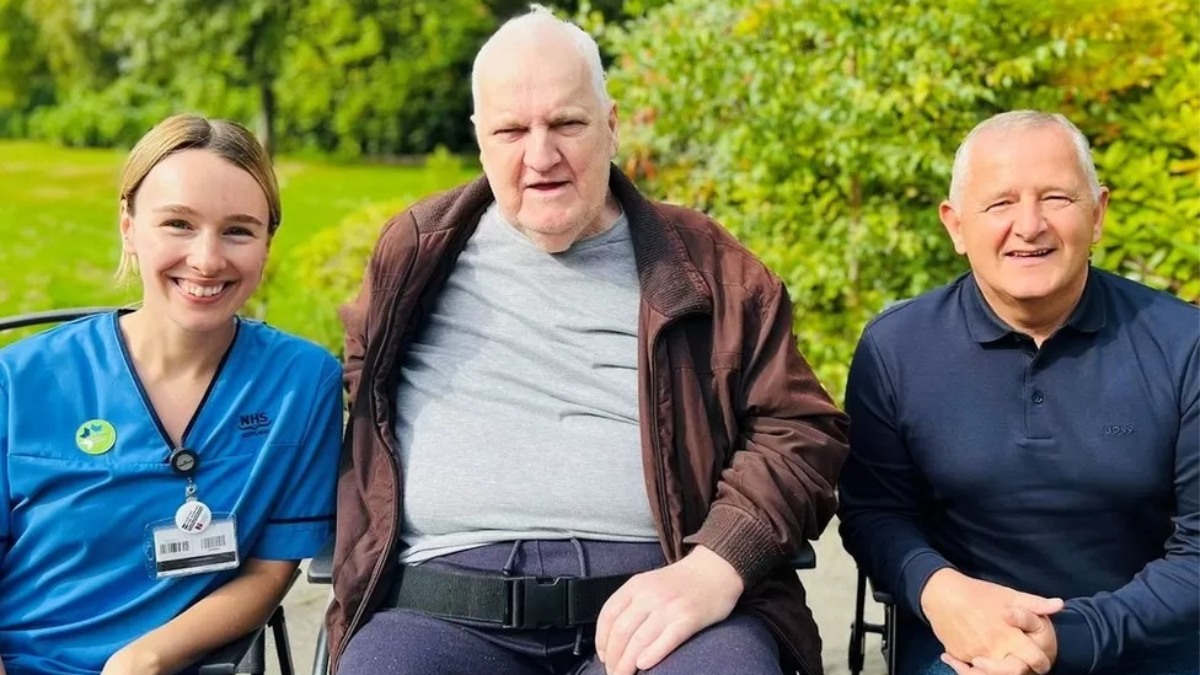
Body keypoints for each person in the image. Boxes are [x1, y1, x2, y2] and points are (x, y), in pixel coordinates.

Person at [326, 6, 848, 675]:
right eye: (512, 130)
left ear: (612, 125)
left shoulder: (709, 265)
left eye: (567, 124)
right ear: (480, 139)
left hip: (665, 603)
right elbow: (363, 392)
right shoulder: (415, 252)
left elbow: (801, 428)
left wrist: (717, 564)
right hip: (442, 613)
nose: (541, 156)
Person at [838, 110, 1199, 675]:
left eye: (1056, 198)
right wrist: (939, 590)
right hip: (961, 645)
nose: (1029, 226)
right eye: (1000, 203)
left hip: (1149, 640)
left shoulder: (1184, 343)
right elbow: (873, 513)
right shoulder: (896, 348)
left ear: (1098, 214)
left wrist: (1066, 638)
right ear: (956, 225)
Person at [0, 114, 342, 675]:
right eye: (178, 224)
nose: (207, 260)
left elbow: (270, 570)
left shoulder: (300, 384)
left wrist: (148, 657)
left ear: (267, 243)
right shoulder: (18, 382)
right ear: (129, 227)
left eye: (238, 231)